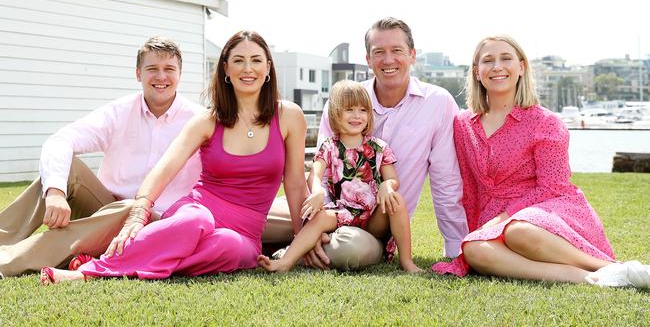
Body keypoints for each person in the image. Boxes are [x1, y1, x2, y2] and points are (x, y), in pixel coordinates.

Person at [39, 30, 308, 284]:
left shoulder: (289, 116)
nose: (247, 68)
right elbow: (164, 169)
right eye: (238, 60)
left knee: (231, 247)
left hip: (245, 232)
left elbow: (295, 184)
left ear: (268, 67)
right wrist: (139, 212)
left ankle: (125, 260)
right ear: (226, 69)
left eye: (256, 60)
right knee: (196, 220)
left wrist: (301, 240)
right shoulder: (207, 121)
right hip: (197, 210)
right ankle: (93, 272)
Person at [431, 35, 650, 288]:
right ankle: (590, 278)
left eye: (506, 58)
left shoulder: (545, 122)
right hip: (494, 218)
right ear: (477, 72)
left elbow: (551, 187)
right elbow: (469, 188)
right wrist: (473, 230)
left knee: (518, 231)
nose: (497, 66)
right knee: (474, 251)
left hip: (548, 208)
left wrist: (504, 217)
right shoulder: (462, 124)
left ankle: (614, 268)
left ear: (521, 67)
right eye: (487, 61)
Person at [267, 17, 468, 270]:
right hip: (328, 211)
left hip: (375, 223)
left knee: (351, 250)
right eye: (379, 52)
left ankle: (288, 248)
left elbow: (446, 181)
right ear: (368, 59)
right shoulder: (341, 101)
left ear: (412, 55)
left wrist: (455, 248)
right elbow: (324, 171)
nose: (388, 60)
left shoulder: (438, 103)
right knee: (257, 218)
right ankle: (294, 242)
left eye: (397, 51)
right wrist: (315, 224)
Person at [0, 36, 203, 278]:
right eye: (152, 69)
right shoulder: (119, 112)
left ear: (180, 74)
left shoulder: (199, 121)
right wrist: (55, 191)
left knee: (131, 208)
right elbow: (62, 139)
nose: (161, 77)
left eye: (169, 69)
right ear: (138, 74)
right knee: (69, 169)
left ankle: (8, 261)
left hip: (158, 221)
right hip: (105, 207)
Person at [258, 80, 422, 273]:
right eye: (349, 110)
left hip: (373, 220)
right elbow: (315, 174)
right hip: (342, 212)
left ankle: (406, 261)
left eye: (362, 110)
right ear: (335, 113)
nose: (357, 116)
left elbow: (392, 179)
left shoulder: (379, 147)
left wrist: (388, 186)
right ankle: (286, 261)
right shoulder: (329, 146)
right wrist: (317, 191)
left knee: (397, 202)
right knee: (319, 218)